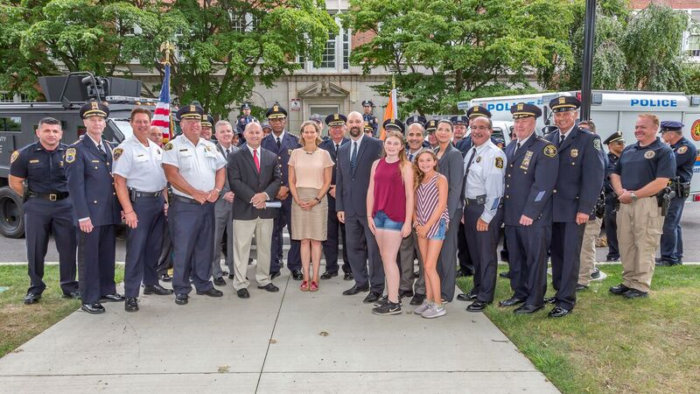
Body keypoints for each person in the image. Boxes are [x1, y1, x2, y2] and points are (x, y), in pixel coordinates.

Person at [544, 96, 604, 318]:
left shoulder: (589, 140)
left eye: (566, 113)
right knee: (557, 253)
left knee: (570, 255)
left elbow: (594, 177)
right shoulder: (549, 138)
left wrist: (585, 209)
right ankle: (560, 291)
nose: (561, 118)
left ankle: (566, 301)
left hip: (573, 209)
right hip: (552, 208)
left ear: (576, 115)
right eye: (558, 114)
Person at [162, 103, 227, 305]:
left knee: (205, 247)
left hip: (208, 204)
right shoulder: (173, 146)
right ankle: (181, 288)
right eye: (189, 121)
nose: (194, 124)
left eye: (197, 121)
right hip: (185, 206)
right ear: (181, 124)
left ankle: (203, 283)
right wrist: (194, 193)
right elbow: (171, 174)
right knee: (183, 248)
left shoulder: (210, 146)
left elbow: (221, 169)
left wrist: (216, 190)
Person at [9, 117, 79, 304]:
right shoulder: (24, 154)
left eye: (55, 131)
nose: (51, 134)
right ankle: (35, 288)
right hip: (37, 206)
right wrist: (32, 197)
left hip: (65, 206)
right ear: (38, 132)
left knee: (68, 247)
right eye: (47, 131)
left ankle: (69, 286)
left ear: (61, 134)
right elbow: (14, 181)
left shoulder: (69, 153)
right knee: (35, 248)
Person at [65, 100, 123, 314]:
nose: (97, 123)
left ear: (105, 123)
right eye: (92, 119)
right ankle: (89, 297)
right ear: (85, 122)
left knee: (107, 254)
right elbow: (75, 187)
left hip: (108, 211)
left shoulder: (109, 147)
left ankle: (107, 289)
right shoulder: (76, 150)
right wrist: (82, 216)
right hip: (90, 214)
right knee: (89, 257)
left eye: (100, 119)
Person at [112, 108, 172, 312]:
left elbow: (163, 180)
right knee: (136, 250)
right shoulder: (125, 149)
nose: (143, 125)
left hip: (156, 202)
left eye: (146, 121)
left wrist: (166, 203)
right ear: (131, 123)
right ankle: (131, 294)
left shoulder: (155, 148)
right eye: (138, 122)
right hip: (139, 204)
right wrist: (128, 210)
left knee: (154, 248)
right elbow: (119, 182)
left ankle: (151, 283)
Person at [500, 103, 558, 314]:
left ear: (534, 122)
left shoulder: (544, 148)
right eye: (517, 120)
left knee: (534, 259)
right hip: (513, 215)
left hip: (533, 217)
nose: (520, 124)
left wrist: (530, 213)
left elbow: (544, 185)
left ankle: (535, 300)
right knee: (516, 258)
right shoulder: (510, 147)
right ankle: (520, 292)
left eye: (524, 120)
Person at [610, 114, 675, 298]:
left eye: (643, 127)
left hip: (647, 203)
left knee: (645, 243)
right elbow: (615, 174)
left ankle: (641, 286)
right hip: (625, 202)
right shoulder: (629, 149)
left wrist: (634, 195)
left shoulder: (663, 151)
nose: (638, 130)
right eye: (637, 127)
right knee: (626, 243)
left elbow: (662, 182)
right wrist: (621, 192)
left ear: (655, 128)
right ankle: (628, 281)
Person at [228, 122, 282, 298]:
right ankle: (240, 282)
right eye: (251, 132)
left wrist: (265, 195)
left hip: (265, 210)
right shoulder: (236, 156)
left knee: (265, 247)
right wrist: (253, 197)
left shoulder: (271, 156)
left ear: (263, 135)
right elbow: (234, 181)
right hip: (244, 208)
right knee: (241, 248)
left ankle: (264, 279)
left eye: (258, 132)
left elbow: (277, 179)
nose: (255, 135)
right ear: (244, 134)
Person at [336, 111, 385, 302]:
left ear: (363, 123)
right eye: (351, 121)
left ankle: (377, 287)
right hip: (349, 209)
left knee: (374, 250)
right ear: (346, 126)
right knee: (353, 247)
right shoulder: (343, 149)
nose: (354, 124)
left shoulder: (376, 145)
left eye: (358, 120)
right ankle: (360, 282)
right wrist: (340, 207)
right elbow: (340, 179)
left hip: (371, 209)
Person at [460, 116, 506, 312]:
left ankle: (485, 296)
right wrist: (464, 209)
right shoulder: (472, 150)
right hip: (470, 209)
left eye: (481, 128)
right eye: (473, 128)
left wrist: (486, 216)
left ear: (490, 130)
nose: (476, 131)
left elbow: (495, 191)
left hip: (484, 209)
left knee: (486, 254)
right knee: (476, 253)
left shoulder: (494, 155)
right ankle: (477, 288)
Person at [367, 126, 414, 315]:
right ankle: (391, 295)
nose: (392, 146)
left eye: (396, 143)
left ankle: (394, 302)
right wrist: (369, 215)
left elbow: (410, 195)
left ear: (402, 147)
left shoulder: (406, 166)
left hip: (396, 217)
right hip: (378, 216)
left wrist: (408, 221)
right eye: (389, 143)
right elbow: (371, 190)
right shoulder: (376, 164)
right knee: (385, 258)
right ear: (384, 144)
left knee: (389, 258)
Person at [288, 121, 334, 291]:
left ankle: (315, 277)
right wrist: (297, 198)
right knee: (304, 240)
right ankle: (305, 277)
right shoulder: (295, 154)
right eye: (306, 132)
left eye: (312, 131)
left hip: (318, 199)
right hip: (299, 198)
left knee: (316, 240)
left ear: (317, 133)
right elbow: (291, 180)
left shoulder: (324, 154)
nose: (309, 134)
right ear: (302, 134)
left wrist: (316, 199)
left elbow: (328, 181)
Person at [261, 103, 303, 280]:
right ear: (269, 122)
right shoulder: (263, 142)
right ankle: (273, 265)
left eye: (280, 119)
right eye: (273, 120)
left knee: (296, 232)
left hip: (292, 194)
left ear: (285, 121)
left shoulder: (295, 141)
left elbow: (300, 168)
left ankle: (295, 266)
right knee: (272, 231)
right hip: (272, 195)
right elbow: (261, 171)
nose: (277, 122)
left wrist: (287, 187)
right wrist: (276, 189)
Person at [412, 149, 449, 318]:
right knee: (424, 265)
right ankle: (428, 300)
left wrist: (427, 226)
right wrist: (417, 222)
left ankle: (439, 305)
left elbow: (441, 205)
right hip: (421, 225)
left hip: (436, 224)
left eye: (428, 160)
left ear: (434, 161)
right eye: (421, 161)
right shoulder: (418, 179)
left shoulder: (440, 179)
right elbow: (413, 204)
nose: (425, 163)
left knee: (430, 266)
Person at [657, 121, 697, 266]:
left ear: (671, 134)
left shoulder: (684, 148)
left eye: (663, 133)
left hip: (677, 190)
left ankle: (669, 258)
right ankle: (675, 255)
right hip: (673, 190)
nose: (662, 136)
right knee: (674, 224)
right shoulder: (675, 147)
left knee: (669, 224)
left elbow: (669, 166)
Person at [433, 119, 465, 303]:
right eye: (440, 129)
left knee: (447, 253)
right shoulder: (436, 152)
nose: (443, 132)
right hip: (435, 211)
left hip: (448, 212)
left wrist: (447, 216)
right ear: (436, 132)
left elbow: (455, 188)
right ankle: (437, 289)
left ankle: (446, 293)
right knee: (436, 254)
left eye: (447, 130)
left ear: (452, 133)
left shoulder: (455, 155)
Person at [319, 114, 352, 280]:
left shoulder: (352, 145)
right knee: (329, 234)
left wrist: (340, 188)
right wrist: (329, 188)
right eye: (333, 127)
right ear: (328, 130)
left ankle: (349, 269)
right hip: (327, 196)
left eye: (340, 127)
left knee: (349, 235)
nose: (337, 130)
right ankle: (331, 268)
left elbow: (355, 172)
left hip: (347, 197)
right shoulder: (322, 147)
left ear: (345, 128)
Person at [576, 119, 608, 289]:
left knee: (586, 244)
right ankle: (579, 274)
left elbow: (594, 180)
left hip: (592, 207)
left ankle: (583, 278)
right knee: (577, 244)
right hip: (577, 205)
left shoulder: (596, 150)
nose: (580, 134)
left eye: (584, 131)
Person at [401, 118, 427, 305]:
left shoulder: (429, 157)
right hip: (402, 212)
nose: (414, 138)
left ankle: (422, 289)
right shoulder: (401, 157)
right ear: (406, 137)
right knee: (405, 251)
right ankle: (405, 286)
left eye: (418, 134)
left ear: (424, 137)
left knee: (423, 252)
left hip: (422, 213)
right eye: (411, 134)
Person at [211, 120, 239, 286]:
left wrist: (238, 193)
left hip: (236, 202)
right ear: (216, 135)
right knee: (215, 239)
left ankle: (234, 269)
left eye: (229, 131)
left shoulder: (239, 151)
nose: (226, 134)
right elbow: (207, 176)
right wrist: (223, 193)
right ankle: (216, 272)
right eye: (222, 132)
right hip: (218, 203)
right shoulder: (210, 151)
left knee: (235, 238)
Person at [603, 131, 625, 262]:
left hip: (626, 197)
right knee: (612, 227)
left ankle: (624, 253)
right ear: (611, 145)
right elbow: (611, 178)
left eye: (623, 142)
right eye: (619, 143)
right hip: (612, 198)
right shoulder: (608, 160)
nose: (622, 145)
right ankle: (613, 254)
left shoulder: (625, 159)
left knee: (626, 228)